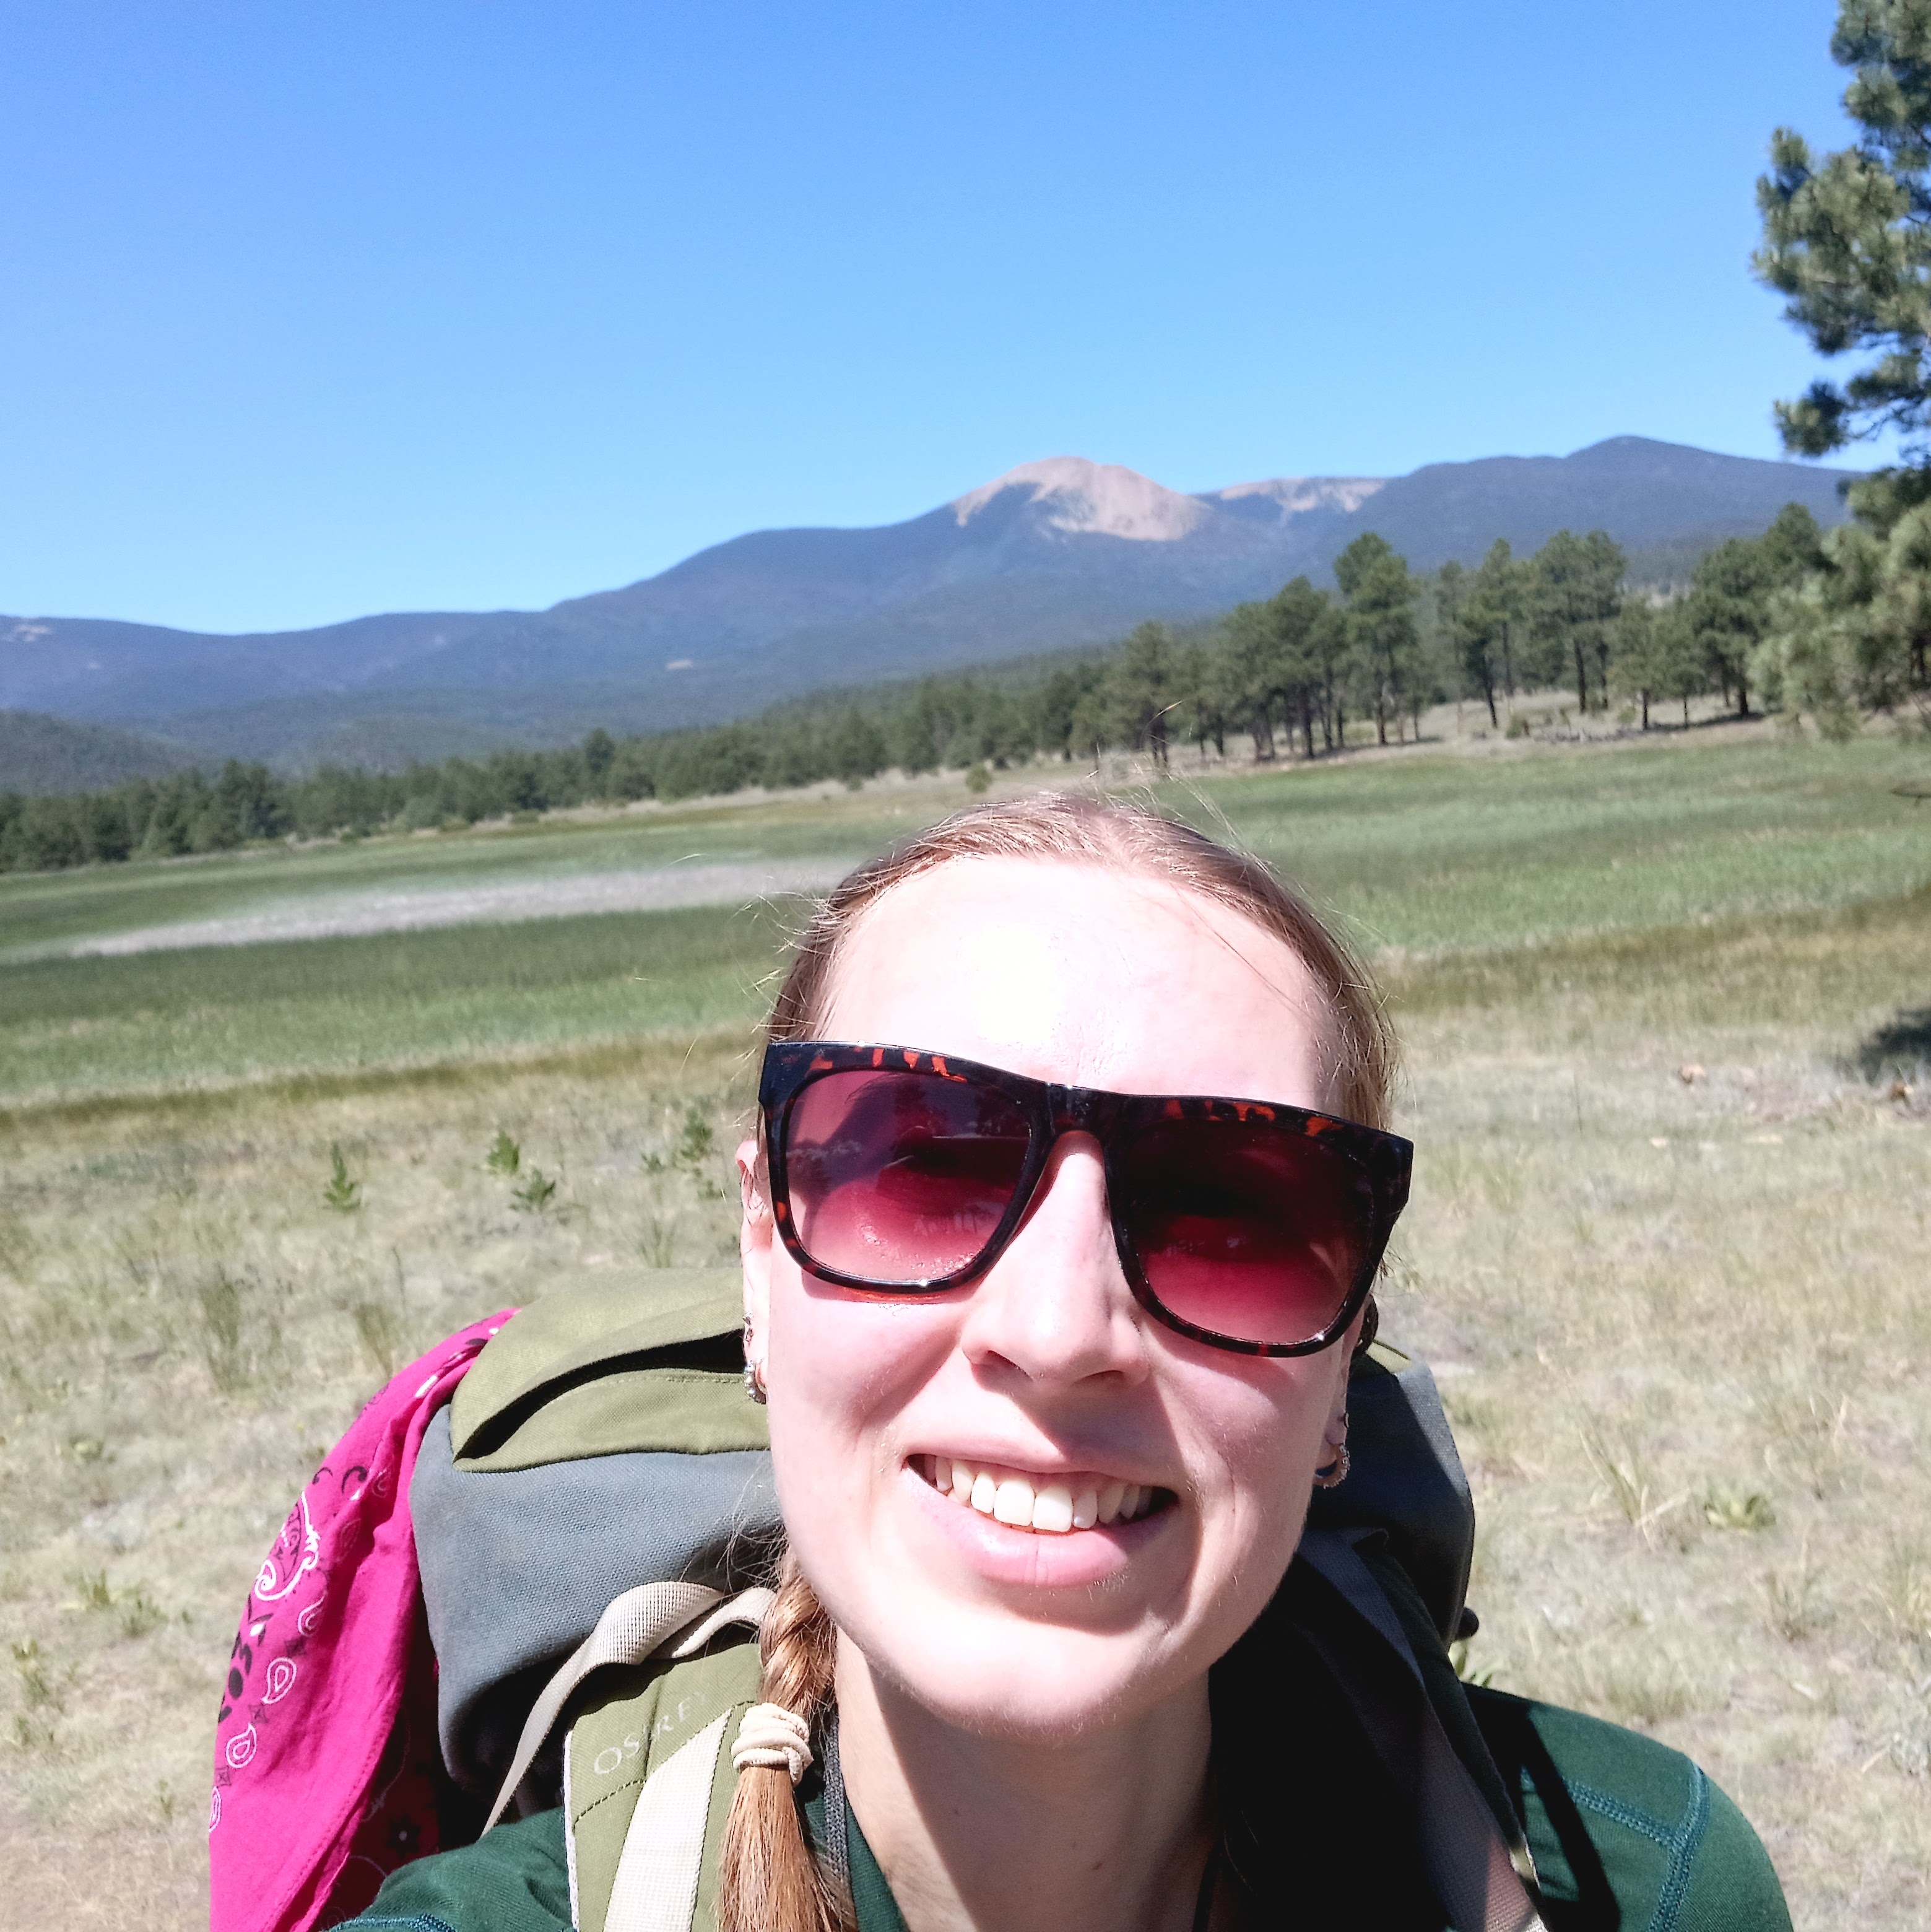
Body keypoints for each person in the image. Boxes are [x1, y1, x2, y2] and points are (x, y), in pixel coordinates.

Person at [347, 794, 1790, 1932]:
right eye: (924, 1169)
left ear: (1347, 1353)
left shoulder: (1645, 1889)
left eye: (1231, 1206)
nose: (1057, 1329)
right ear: (761, 1262)